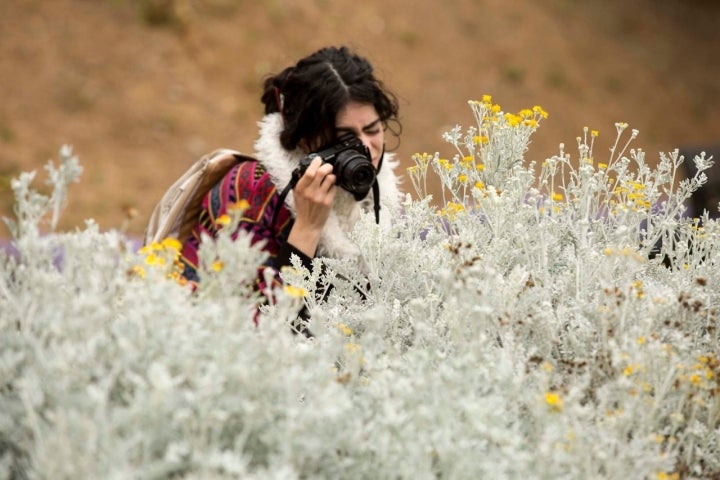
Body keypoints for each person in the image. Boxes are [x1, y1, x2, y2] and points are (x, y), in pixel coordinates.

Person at [178, 46, 403, 321]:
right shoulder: (248, 192)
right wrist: (308, 227)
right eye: (347, 139)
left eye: (373, 130)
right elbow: (245, 329)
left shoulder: (378, 198)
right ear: (307, 142)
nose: (366, 148)